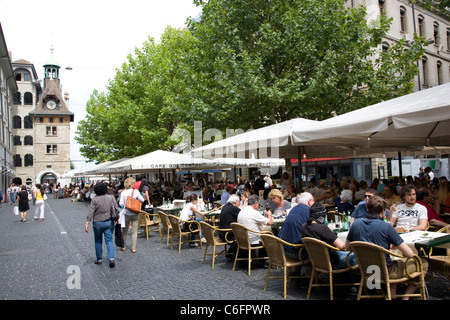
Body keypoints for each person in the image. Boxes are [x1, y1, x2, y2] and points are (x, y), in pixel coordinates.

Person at [345, 195, 428, 299]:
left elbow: (347, 247)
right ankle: (406, 297)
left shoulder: (356, 224)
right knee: (422, 262)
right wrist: (396, 247)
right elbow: (409, 254)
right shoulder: (386, 227)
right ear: (383, 211)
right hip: (386, 272)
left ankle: (389, 294)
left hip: (365, 269)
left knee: (394, 262)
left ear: (367, 209)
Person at [301, 202, 356, 269]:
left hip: (316, 260)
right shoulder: (322, 229)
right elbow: (342, 247)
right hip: (333, 261)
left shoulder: (304, 227)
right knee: (358, 256)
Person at [85, 182, 120, 268]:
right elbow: (117, 209)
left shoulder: (95, 200)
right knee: (109, 241)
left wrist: (87, 222)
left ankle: (99, 259)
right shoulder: (111, 198)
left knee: (98, 241)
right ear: (105, 189)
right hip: (108, 222)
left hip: (97, 222)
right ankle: (111, 258)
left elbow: (91, 212)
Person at [278, 192, 314, 260]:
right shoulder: (309, 211)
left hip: (283, 249)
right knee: (319, 247)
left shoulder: (293, 209)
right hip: (297, 252)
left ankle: (296, 270)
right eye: (313, 201)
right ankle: (316, 270)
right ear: (310, 202)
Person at [237, 195, 272, 260]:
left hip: (242, 240)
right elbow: (269, 222)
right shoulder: (254, 213)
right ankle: (264, 261)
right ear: (256, 204)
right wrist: (269, 214)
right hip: (253, 240)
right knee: (269, 235)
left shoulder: (241, 211)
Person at [118, 177, 144, 253]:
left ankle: (123, 246)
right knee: (134, 231)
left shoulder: (123, 193)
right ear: (132, 184)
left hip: (126, 213)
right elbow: (142, 200)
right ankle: (133, 248)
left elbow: (120, 203)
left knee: (125, 230)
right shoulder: (136, 191)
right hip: (135, 212)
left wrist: (126, 204)